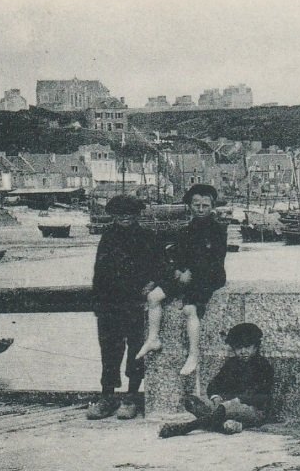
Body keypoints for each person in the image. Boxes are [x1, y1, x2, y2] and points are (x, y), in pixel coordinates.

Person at [136, 184, 228, 376]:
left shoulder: (218, 230)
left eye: (205, 206)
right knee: (153, 297)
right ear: (190, 206)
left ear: (212, 206)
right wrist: (178, 269)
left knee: (189, 309)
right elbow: (178, 253)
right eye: (196, 205)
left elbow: (214, 259)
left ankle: (193, 355)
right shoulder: (186, 230)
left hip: (209, 276)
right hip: (185, 273)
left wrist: (190, 272)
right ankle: (153, 339)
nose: (200, 210)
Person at [87, 194, 163, 420]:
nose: (125, 218)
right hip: (110, 303)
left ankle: (131, 396)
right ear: (113, 216)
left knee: (137, 349)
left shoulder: (148, 237)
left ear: (137, 214)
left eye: (130, 213)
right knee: (109, 350)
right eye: (120, 214)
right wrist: (98, 303)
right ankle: (107, 395)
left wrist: (151, 284)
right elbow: (99, 272)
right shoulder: (108, 237)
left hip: (137, 303)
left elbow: (160, 267)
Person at [158, 323, 274, 438]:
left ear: (256, 346)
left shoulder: (263, 366)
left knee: (224, 408)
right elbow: (214, 384)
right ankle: (226, 425)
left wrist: (235, 401)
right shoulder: (232, 363)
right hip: (225, 406)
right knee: (191, 401)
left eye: (247, 346)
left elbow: (261, 396)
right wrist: (216, 396)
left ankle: (186, 427)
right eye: (238, 347)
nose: (243, 351)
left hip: (252, 410)